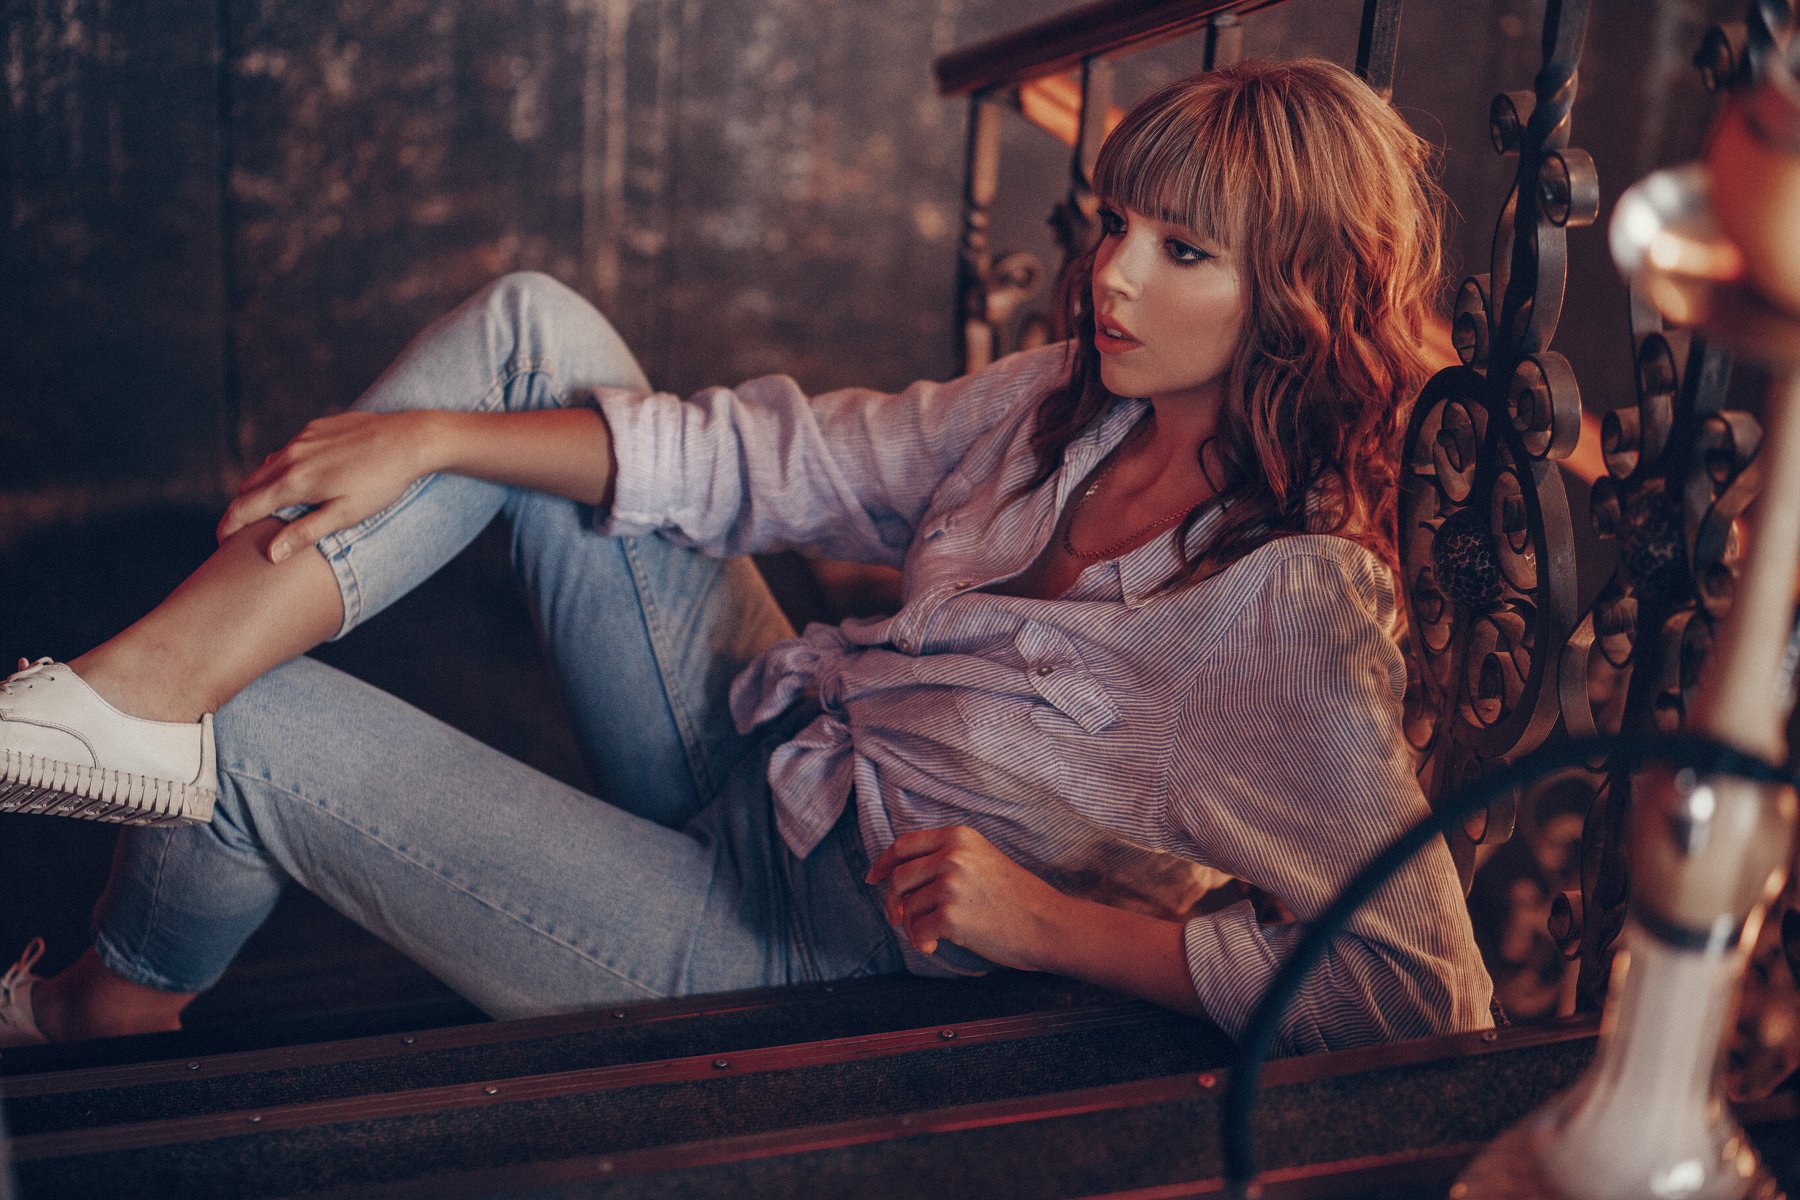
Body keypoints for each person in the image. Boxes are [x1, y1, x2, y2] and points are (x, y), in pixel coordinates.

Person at [0, 58, 1493, 1057]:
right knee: (531, 335)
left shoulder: (1285, 610)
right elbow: (779, 461)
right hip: (771, 761)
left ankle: (104, 1011)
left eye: (1183, 251)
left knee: (251, 725)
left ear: (1297, 292)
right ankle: (131, 697)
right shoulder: (1070, 403)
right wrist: (436, 438)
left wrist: (1060, 930)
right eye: (1117, 223)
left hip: (808, 964)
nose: (1109, 273)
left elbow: (1421, 990)